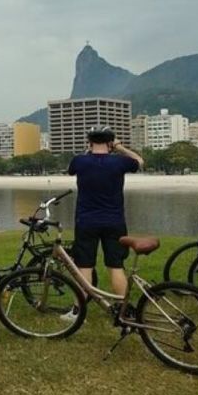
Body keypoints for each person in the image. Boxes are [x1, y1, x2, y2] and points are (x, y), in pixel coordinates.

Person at [66, 126, 143, 302]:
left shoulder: (80, 161)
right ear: (110, 143)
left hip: (86, 221)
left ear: (90, 142)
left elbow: (71, 168)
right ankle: (122, 309)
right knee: (116, 266)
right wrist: (120, 147)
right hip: (114, 221)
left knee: (84, 266)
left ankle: (80, 310)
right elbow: (139, 161)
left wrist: (89, 150)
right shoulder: (119, 162)